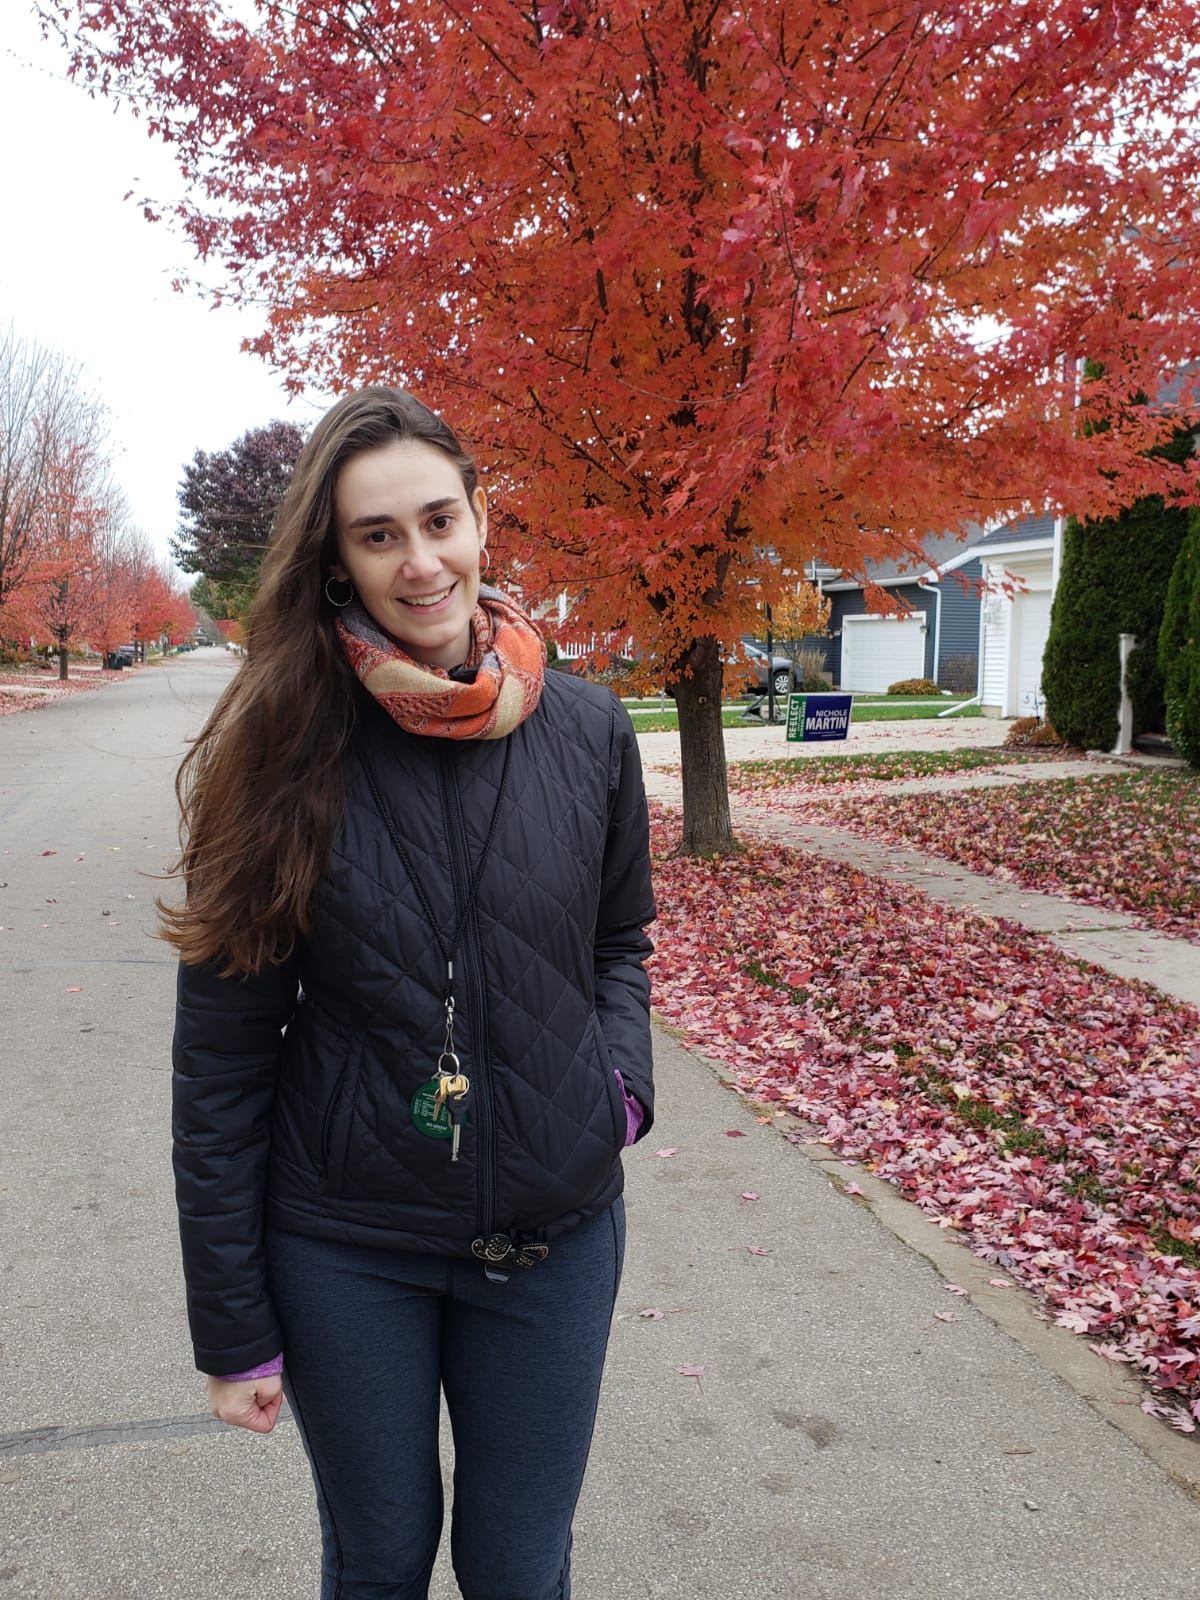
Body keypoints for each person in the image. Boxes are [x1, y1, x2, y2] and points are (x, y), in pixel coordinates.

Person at [165, 387, 656, 1599]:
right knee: (379, 1559)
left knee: (518, 1566)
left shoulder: (590, 731)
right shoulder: (281, 749)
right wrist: (233, 1328)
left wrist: (617, 1093)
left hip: (554, 1235)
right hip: (349, 1246)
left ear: (485, 519)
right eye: (378, 535)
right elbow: (221, 1063)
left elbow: (618, 942)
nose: (420, 560)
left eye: (440, 520)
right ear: (335, 561)